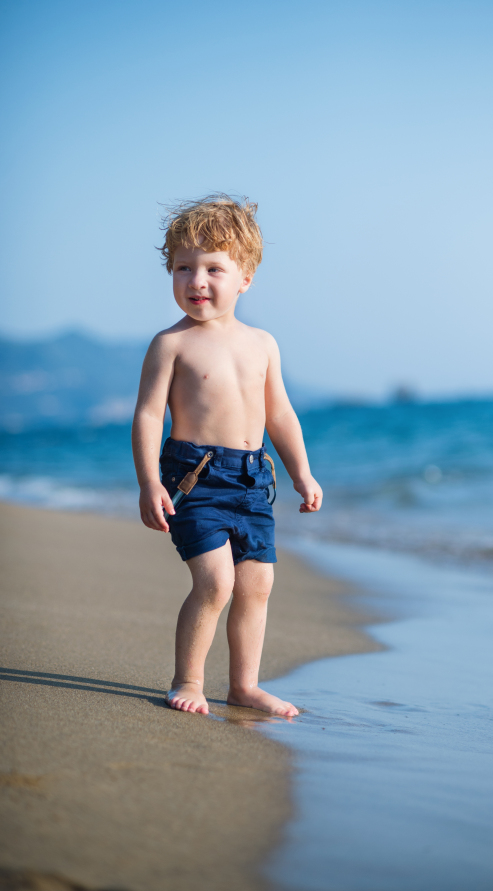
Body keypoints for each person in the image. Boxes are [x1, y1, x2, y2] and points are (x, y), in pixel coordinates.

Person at [132, 194, 322, 717]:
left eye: (214, 268)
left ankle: (244, 685)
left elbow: (281, 415)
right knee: (216, 582)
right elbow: (149, 416)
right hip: (195, 477)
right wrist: (150, 482)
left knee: (257, 583)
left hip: (253, 480)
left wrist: (301, 473)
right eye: (183, 268)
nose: (197, 281)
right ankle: (188, 680)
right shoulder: (170, 344)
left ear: (246, 277)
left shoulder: (263, 343)